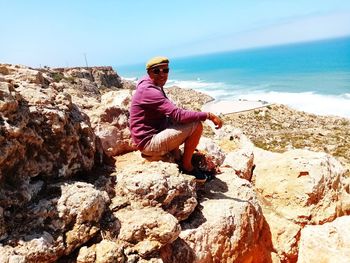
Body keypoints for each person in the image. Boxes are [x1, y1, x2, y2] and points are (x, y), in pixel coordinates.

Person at [129, 56, 223, 182]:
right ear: (149, 72)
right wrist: (208, 115)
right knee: (196, 124)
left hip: (150, 134)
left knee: (181, 119)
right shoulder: (149, 91)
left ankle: (177, 156)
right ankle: (187, 167)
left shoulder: (150, 83)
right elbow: (178, 115)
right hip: (148, 143)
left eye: (165, 70)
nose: (162, 74)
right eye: (157, 71)